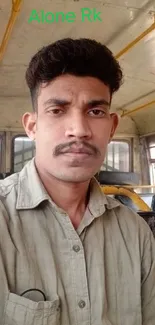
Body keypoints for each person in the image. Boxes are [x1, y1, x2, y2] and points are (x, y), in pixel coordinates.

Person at [0, 38, 154, 325]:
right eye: (57, 110)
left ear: (112, 127)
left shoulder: (136, 234)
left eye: (95, 112)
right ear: (32, 127)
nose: (79, 130)